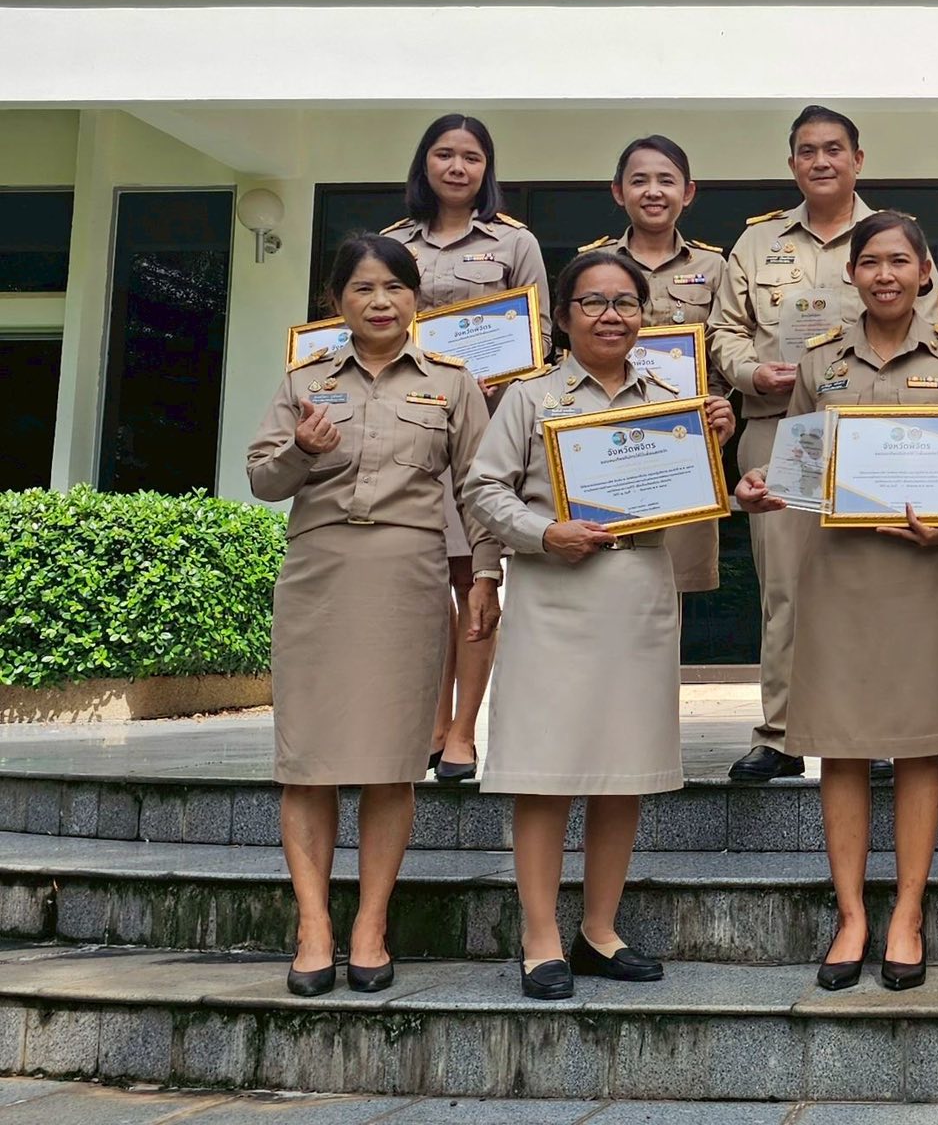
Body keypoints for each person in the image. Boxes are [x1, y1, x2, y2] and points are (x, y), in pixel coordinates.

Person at [735, 212, 938, 992]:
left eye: (900, 261)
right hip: (841, 568)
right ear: (851, 275)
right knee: (841, 743)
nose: (885, 275)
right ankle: (852, 913)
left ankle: (908, 913)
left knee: (921, 742)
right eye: (870, 263)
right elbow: (798, 457)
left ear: (925, 270)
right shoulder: (821, 360)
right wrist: (763, 490)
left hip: (922, 571)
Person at [465, 250, 737, 1001]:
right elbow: (481, 487)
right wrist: (539, 534)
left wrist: (712, 436)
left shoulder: (672, 394)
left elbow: (699, 490)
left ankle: (600, 931)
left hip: (639, 597)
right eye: (593, 302)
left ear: (644, 315)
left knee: (623, 773)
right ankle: (541, 937)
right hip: (554, 598)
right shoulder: (530, 397)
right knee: (545, 774)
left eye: (625, 301)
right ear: (563, 316)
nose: (611, 314)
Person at [246, 234, 498, 996]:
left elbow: (478, 491)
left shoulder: (454, 385)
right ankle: (314, 925)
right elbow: (262, 478)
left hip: (408, 574)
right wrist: (299, 449)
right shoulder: (304, 382)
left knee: (393, 761)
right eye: (362, 289)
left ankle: (371, 924)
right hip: (320, 574)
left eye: (394, 286)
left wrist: (484, 575)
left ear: (416, 297)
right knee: (309, 759)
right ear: (337, 302)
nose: (380, 301)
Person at [709, 107, 938, 783]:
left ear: (858, 159)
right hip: (780, 427)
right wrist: (753, 372)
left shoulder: (894, 238)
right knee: (785, 587)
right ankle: (780, 733)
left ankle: (867, 726)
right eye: (807, 151)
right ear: (792, 165)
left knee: (866, 584)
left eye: (834, 149)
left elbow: (929, 327)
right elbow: (724, 331)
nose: (821, 161)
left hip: (878, 437)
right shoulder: (755, 246)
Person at [384, 113, 550, 786]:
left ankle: (461, 731)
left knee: (474, 576)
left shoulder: (515, 242)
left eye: (471, 158)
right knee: (424, 577)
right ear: (424, 163)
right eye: (445, 155)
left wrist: (501, 371)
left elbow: (538, 334)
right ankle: (426, 721)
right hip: (410, 424)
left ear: (488, 169)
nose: (457, 168)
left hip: (484, 426)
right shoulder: (392, 244)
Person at [578, 136, 729, 643]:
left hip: (681, 448)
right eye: (639, 180)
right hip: (606, 444)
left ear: (688, 193)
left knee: (671, 587)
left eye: (666, 180)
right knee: (600, 576)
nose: (653, 191)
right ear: (618, 191)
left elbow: (724, 348)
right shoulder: (593, 263)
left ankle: (659, 715)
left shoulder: (715, 267)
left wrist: (721, 404)